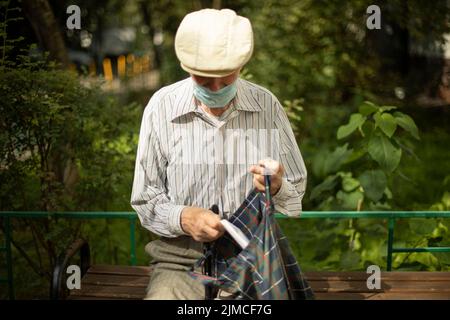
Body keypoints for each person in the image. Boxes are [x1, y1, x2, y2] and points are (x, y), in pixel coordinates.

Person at [130, 8, 307, 300]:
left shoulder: (267, 106)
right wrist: (184, 217)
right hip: (180, 260)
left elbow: (296, 185)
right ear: (187, 68)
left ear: (241, 66)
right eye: (204, 79)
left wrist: (276, 186)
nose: (215, 88)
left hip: (253, 256)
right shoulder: (161, 107)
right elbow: (145, 199)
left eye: (226, 79)